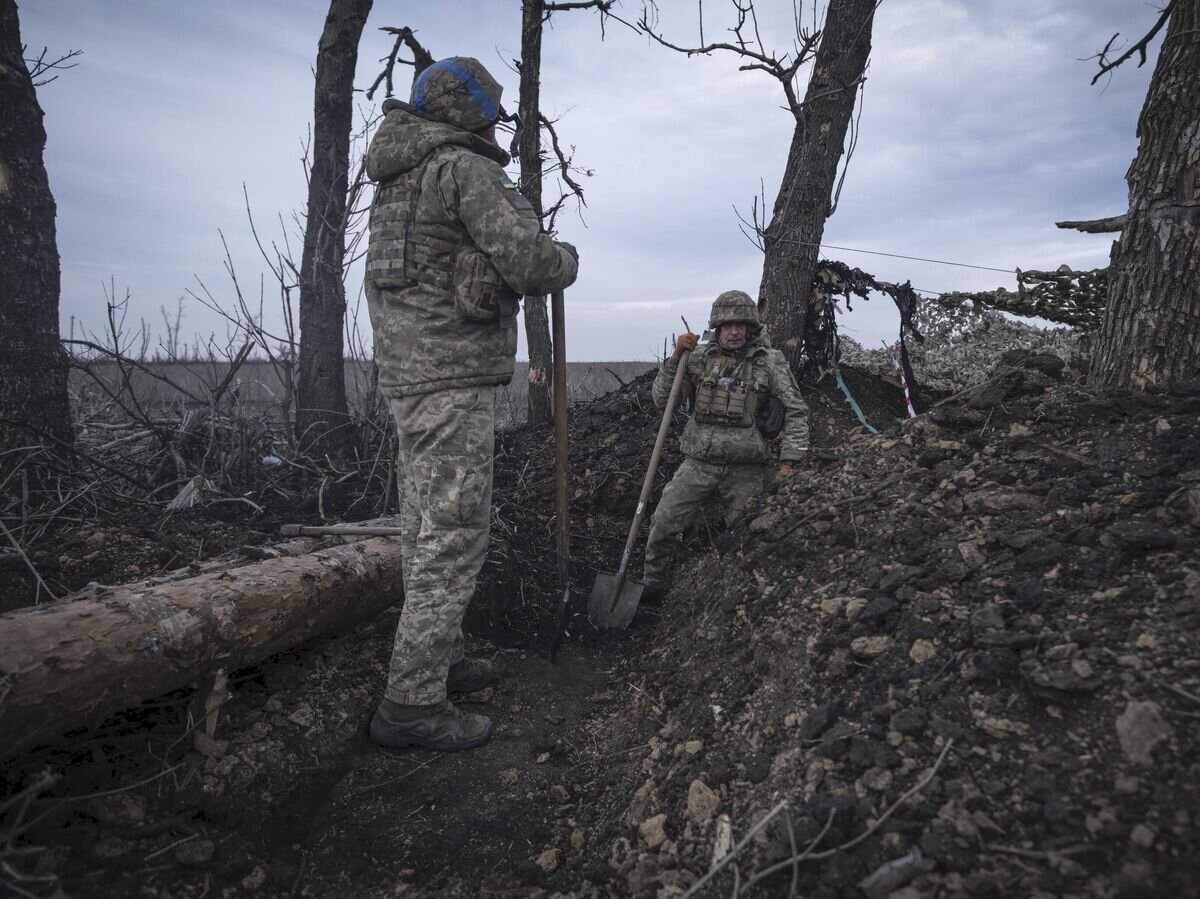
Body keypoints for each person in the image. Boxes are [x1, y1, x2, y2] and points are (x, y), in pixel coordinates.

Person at [363, 57, 578, 751]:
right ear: (468, 110)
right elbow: (532, 263)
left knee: (425, 526)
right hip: (452, 379)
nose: (495, 121)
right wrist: (565, 257)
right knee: (455, 535)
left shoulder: (398, 176)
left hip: (407, 377)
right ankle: (412, 703)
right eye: (490, 108)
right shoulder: (463, 168)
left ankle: (441, 657)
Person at [641, 290, 809, 600]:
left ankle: (738, 597)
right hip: (698, 464)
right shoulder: (698, 358)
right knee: (663, 523)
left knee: (747, 537)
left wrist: (790, 462)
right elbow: (662, 401)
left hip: (747, 470)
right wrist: (676, 358)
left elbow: (797, 412)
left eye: (740, 325)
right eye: (727, 325)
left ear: (750, 327)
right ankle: (652, 591)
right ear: (717, 327)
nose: (734, 331)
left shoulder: (770, 362)